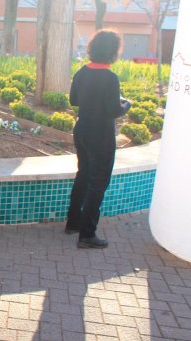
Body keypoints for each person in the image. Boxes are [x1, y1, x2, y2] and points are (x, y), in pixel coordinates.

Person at [64, 29, 131, 249]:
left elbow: (74, 100)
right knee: (98, 183)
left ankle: (73, 222)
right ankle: (87, 234)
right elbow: (113, 110)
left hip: (82, 129)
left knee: (83, 174)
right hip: (101, 135)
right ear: (113, 51)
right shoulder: (110, 78)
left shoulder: (82, 72)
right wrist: (126, 105)